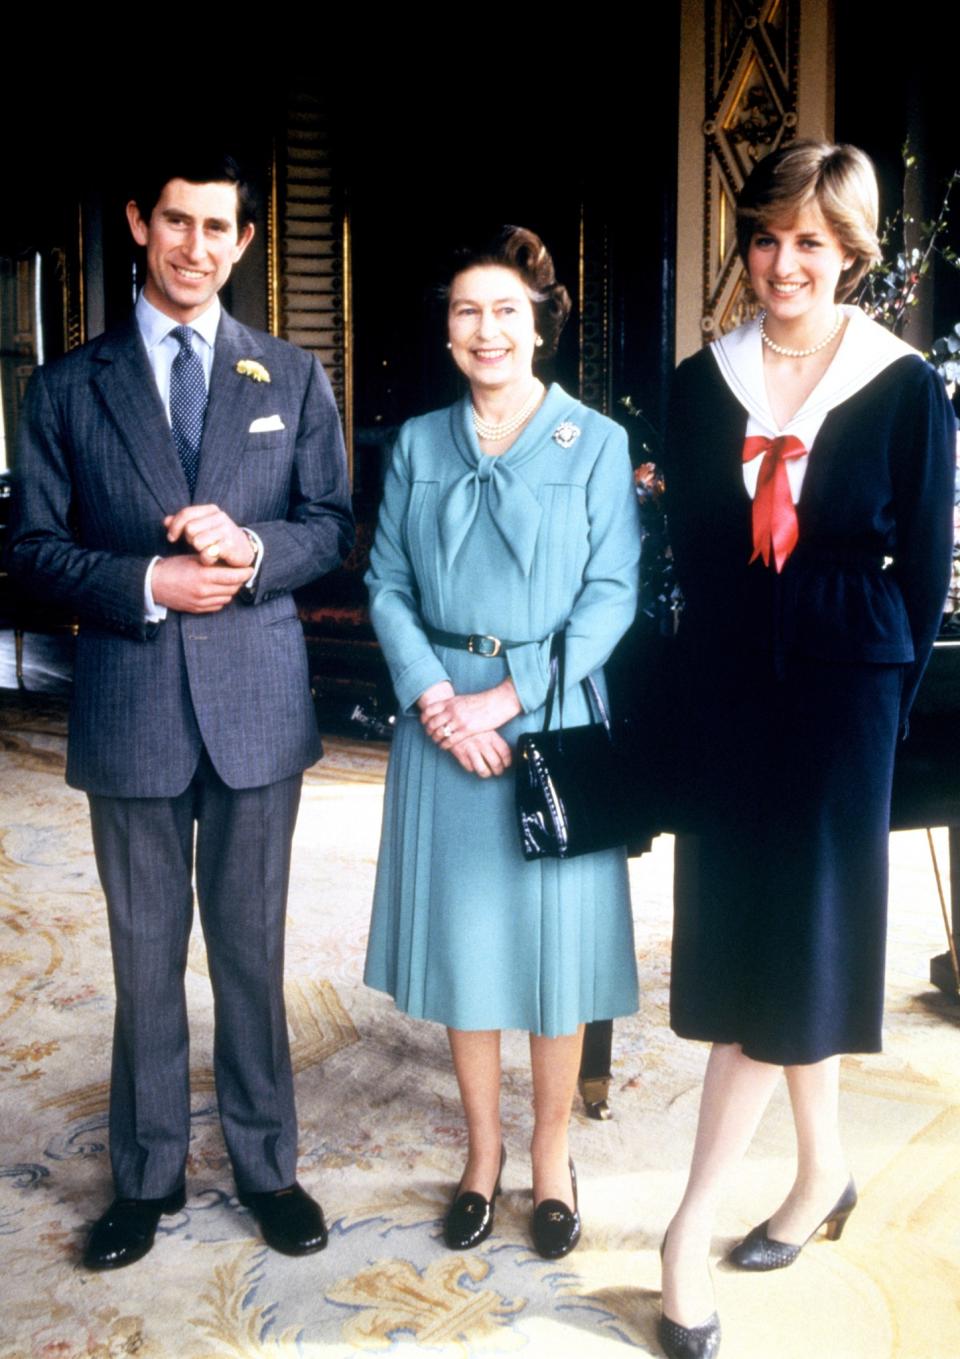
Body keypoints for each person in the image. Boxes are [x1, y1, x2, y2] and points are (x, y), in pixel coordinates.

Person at [6, 151, 354, 1269]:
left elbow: (331, 527)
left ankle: (267, 1165)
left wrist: (252, 550)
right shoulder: (65, 387)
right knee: (144, 957)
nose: (194, 247)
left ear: (245, 242)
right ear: (137, 223)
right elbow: (30, 550)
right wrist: (145, 583)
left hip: (257, 709)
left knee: (250, 953)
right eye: (174, 222)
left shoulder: (291, 378)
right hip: (133, 705)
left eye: (217, 228)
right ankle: (145, 1179)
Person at [657, 140, 956, 1359]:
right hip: (731, 687)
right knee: (764, 941)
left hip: (844, 693)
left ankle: (686, 1234)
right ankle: (824, 1170)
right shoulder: (697, 383)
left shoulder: (902, 389)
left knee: (778, 959)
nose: (786, 264)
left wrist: (875, 709)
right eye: (769, 238)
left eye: (814, 245)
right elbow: (687, 552)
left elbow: (926, 576)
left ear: (854, 256)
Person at [363, 226, 640, 1258]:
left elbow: (612, 594)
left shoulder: (596, 443)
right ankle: (481, 1155)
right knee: (470, 949)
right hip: (439, 714)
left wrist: (509, 697)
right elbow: (385, 581)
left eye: (506, 312)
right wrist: (440, 698)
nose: (487, 330)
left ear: (540, 326)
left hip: (551, 716)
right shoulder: (417, 445)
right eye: (467, 311)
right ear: (447, 330)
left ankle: (551, 1158)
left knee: (554, 956)